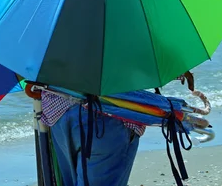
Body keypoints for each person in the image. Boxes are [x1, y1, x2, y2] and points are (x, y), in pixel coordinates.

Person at [40, 73, 194, 186]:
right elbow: (134, 62)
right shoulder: (115, 29)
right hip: (106, 115)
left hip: (58, 112)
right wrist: (175, 68)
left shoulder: (52, 29)